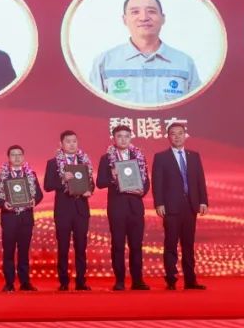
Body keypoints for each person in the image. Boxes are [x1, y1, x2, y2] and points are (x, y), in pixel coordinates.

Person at [88, 0, 202, 105]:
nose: (143, 18)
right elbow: (93, 108)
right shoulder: (105, 62)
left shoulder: (184, 62)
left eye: (151, 11)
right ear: (124, 20)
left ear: (163, 18)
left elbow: (197, 108)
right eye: (135, 12)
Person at [151, 121, 208, 290]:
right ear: (168, 137)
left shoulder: (194, 156)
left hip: (190, 206)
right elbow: (157, 183)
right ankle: (171, 279)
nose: (177, 137)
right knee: (171, 244)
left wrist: (203, 201)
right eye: (173, 134)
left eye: (180, 133)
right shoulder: (161, 157)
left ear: (185, 135)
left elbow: (200, 180)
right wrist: (159, 203)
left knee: (188, 244)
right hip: (171, 207)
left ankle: (191, 280)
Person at [96, 125, 150, 291]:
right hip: (117, 207)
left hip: (135, 206)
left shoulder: (139, 156)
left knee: (136, 245)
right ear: (114, 138)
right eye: (119, 136)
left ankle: (137, 280)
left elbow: (146, 181)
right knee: (118, 245)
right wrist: (112, 177)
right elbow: (99, 183)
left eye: (126, 136)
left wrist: (143, 190)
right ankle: (119, 280)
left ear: (131, 138)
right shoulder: (106, 158)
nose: (123, 139)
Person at [0, 144, 44, 292]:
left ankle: (25, 282)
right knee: (8, 251)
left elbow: (39, 194)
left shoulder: (31, 174)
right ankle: (9, 283)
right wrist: (3, 204)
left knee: (24, 251)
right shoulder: (1, 175)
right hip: (9, 218)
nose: (17, 157)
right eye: (13, 155)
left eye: (19, 154)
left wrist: (34, 201)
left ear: (23, 157)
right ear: (8, 158)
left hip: (26, 218)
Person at [43, 130, 93, 291]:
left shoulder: (84, 161)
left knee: (81, 247)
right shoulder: (53, 163)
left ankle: (81, 281)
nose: (72, 144)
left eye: (74, 141)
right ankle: (64, 281)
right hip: (63, 211)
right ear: (61, 144)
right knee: (63, 247)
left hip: (81, 210)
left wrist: (89, 190)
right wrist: (62, 179)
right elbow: (47, 185)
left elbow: (91, 183)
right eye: (68, 141)